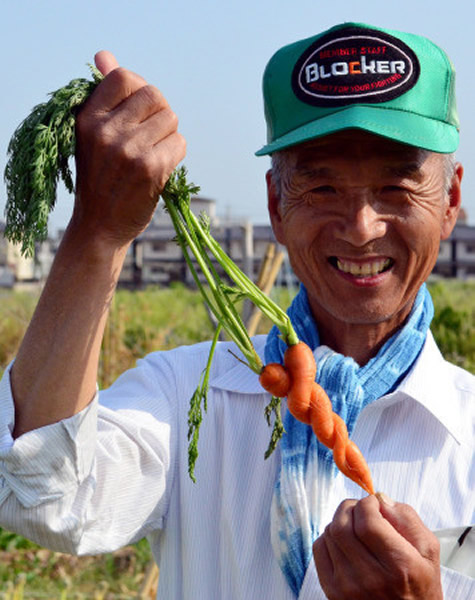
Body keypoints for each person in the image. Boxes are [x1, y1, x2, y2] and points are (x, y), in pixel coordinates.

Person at [0, 21, 473, 599]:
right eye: (322, 189)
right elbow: (42, 493)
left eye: (397, 188)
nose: (360, 228)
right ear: (276, 204)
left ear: (449, 202)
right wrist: (99, 233)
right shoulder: (184, 398)